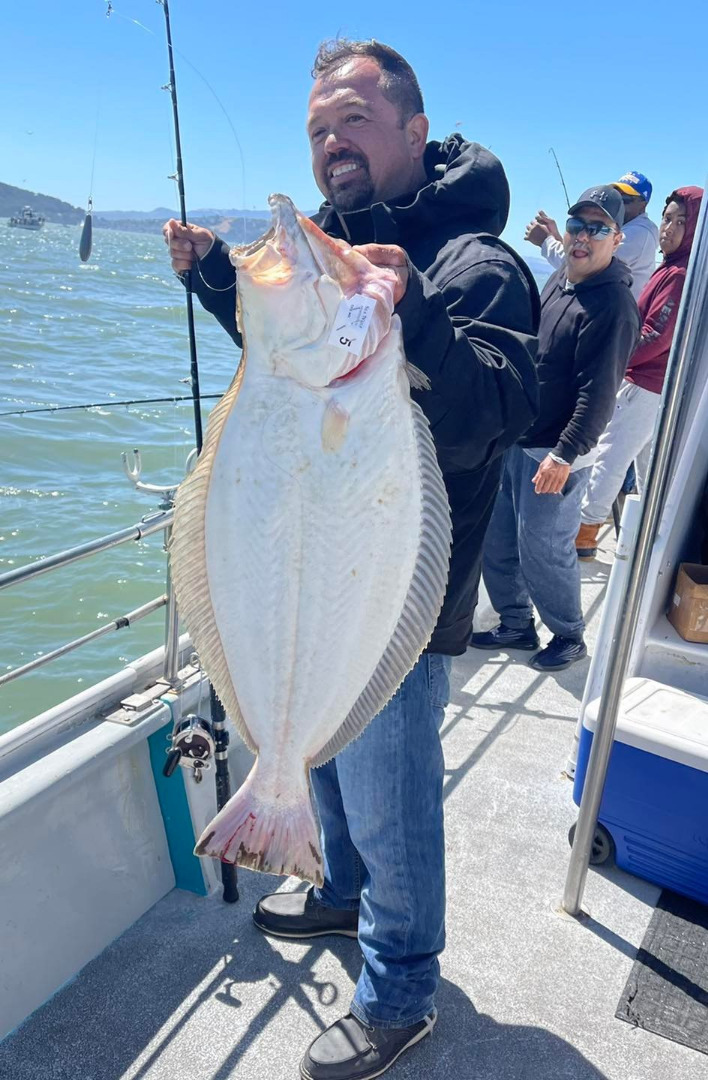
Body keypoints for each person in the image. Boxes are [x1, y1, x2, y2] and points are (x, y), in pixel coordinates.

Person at [164, 39, 539, 1080]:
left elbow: (501, 411)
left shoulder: (478, 264)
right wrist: (213, 280)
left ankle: (401, 990)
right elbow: (295, 364)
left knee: (390, 799)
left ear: (416, 132)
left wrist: (410, 304)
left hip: (392, 591)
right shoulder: (333, 249)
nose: (332, 144)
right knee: (318, 758)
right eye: (319, 128)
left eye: (355, 122)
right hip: (315, 553)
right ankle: (334, 891)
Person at [471, 186, 640, 672]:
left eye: (597, 228)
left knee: (543, 546)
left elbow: (598, 395)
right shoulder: (563, 278)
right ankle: (515, 621)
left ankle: (568, 634)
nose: (582, 237)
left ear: (617, 239)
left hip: (558, 450)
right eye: (576, 226)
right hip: (520, 437)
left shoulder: (612, 306)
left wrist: (564, 456)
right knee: (498, 537)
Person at [576, 186, 704, 559]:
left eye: (682, 221)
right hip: (660, 386)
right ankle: (650, 537)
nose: (669, 228)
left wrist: (616, 354)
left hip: (644, 384)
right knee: (647, 464)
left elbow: (657, 335)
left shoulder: (678, 275)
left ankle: (584, 532)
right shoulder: (674, 268)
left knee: (609, 456)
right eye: (667, 218)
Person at [525, 171, 659, 300]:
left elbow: (583, 266)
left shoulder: (640, 233)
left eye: (625, 199)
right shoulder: (633, 228)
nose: (619, 204)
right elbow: (577, 259)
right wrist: (557, 238)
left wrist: (545, 241)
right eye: (616, 198)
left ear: (643, 205)